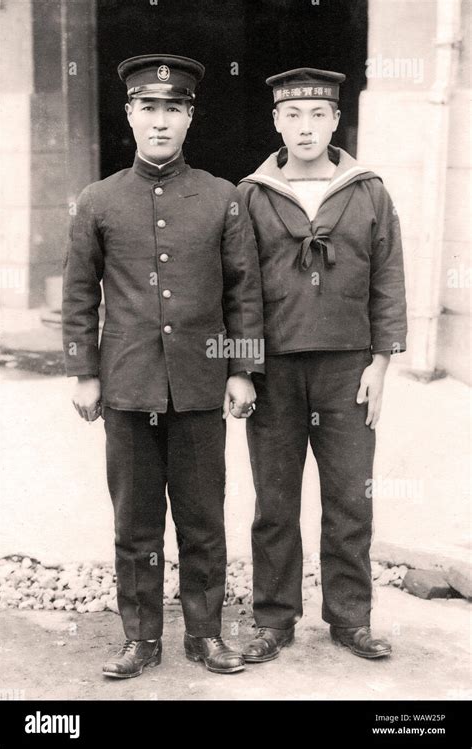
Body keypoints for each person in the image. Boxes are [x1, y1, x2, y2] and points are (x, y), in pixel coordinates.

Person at [62, 54, 264, 678]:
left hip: (202, 387)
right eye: (147, 108)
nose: (159, 121)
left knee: (203, 518)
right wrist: (84, 370)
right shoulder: (98, 200)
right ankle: (140, 638)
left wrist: (240, 368)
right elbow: (79, 292)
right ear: (129, 114)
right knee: (136, 522)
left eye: (172, 109)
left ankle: (204, 636)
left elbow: (243, 292)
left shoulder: (223, 198)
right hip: (127, 386)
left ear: (189, 118)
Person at [237, 67, 407, 662]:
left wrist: (380, 363)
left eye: (317, 115)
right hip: (276, 371)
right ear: (276, 121)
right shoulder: (252, 195)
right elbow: (239, 288)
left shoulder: (369, 191)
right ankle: (274, 620)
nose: (304, 127)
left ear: (336, 120)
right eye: (292, 115)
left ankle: (350, 618)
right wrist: (242, 368)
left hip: (347, 369)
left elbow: (387, 279)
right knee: (275, 501)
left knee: (349, 499)